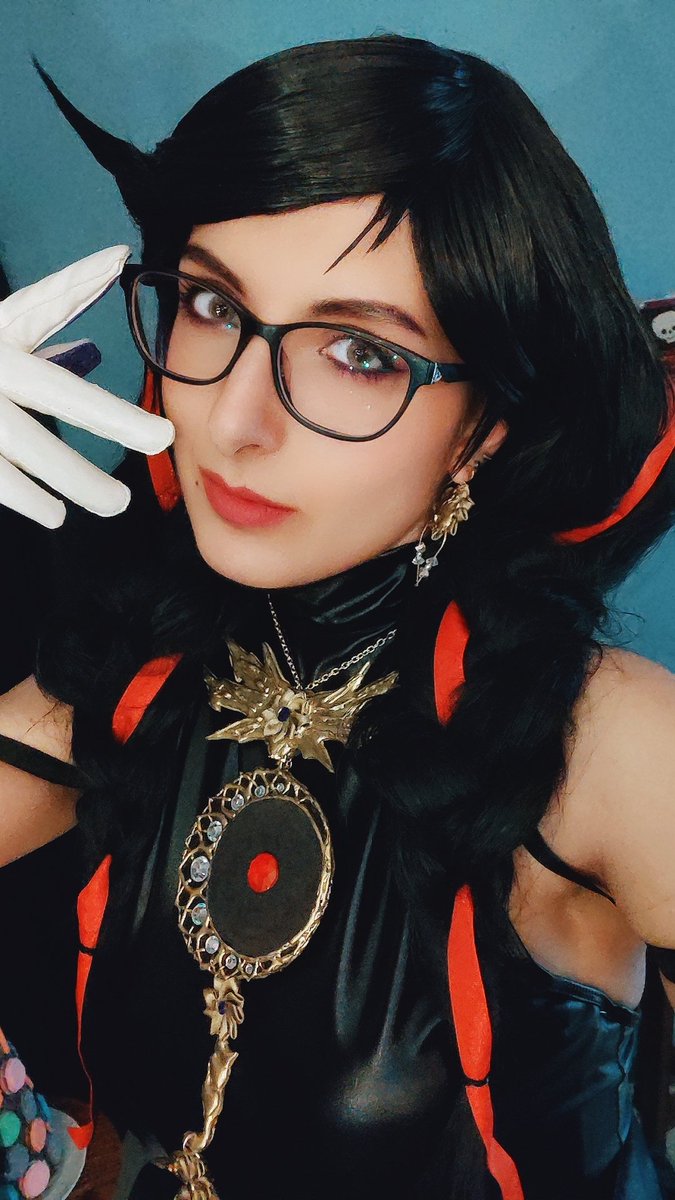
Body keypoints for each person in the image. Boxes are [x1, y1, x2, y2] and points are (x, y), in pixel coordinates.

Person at [0, 32, 674, 1200]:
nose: (235, 422)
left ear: (487, 425)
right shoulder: (137, 672)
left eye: (359, 351)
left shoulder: (605, 747)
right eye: (212, 303)